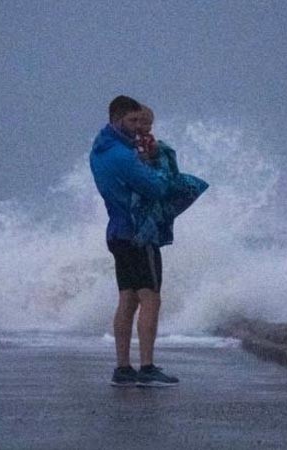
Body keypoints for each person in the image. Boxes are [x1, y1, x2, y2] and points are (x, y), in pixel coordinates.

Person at [89, 95, 178, 387]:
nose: (138, 125)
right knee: (150, 297)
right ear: (117, 120)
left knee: (127, 299)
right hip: (138, 233)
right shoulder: (123, 155)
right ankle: (147, 367)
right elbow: (157, 187)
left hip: (116, 233)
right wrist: (158, 163)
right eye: (132, 120)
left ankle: (123, 368)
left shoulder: (99, 150)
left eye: (141, 120)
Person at [131, 106, 208, 248]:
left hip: (154, 179)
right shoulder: (132, 141)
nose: (149, 127)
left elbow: (167, 165)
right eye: (145, 123)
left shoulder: (150, 141)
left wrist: (155, 154)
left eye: (150, 124)